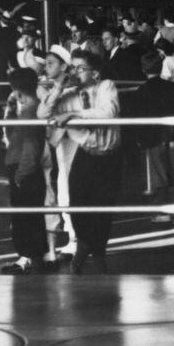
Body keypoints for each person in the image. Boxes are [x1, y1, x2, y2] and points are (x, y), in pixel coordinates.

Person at [48, 50, 120, 274]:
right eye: (73, 67)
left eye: (80, 68)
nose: (75, 72)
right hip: (86, 154)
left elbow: (108, 112)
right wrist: (59, 86)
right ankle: (85, 244)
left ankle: (98, 253)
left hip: (109, 157)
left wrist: (73, 116)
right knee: (76, 203)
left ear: (94, 72)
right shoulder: (71, 93)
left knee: (103, 208)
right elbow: (46, 111)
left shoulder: (106, 86)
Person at [126, 51, 174, 225]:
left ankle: (164, 211)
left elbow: (139, 118)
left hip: (154, 139)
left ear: (143, 70)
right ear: (161, 67)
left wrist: (140, 139)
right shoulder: (172, 87)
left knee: (159, 175)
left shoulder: (143, 90)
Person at [0, 68, 47, 274]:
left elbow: (32, 147)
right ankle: (30, 257)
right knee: (26, 216)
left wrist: (21, 174)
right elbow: (13, 134)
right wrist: (10, 110)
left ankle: (31, 258)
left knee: (25, 217)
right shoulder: (28, 109)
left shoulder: (30, 111)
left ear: (16, 91)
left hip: (23, 170)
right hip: (22, 167)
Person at [37, 45, 80, 263]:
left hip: (75, 141)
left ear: (64, 66)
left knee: (69, 187)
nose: (46, 66)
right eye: (45, 63)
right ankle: (73, 236)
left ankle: (75, 238)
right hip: (62, 143)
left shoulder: (72, 88)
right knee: (64, 186)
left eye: (51, 63)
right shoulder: (51, 87)